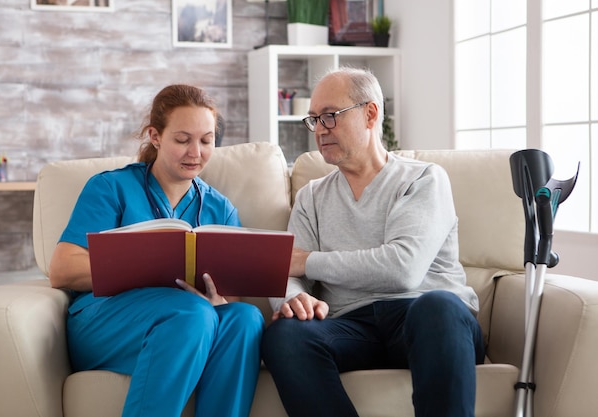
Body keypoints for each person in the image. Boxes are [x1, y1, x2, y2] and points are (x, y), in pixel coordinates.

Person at [261, 67, 485, 417]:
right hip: (352, 326)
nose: (320, 129)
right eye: (314, 119)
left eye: (330, 116)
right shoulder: (311, 197)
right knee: (284, 336)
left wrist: (309, 261)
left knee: (437, 306)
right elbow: (287, 270)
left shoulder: (423, 178)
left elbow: (403, 269)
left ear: (370, 114)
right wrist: (293, 298)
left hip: (427, 318)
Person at [49, 84, 264, 417]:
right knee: (192, 312)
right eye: (182, 139)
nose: (196, 152)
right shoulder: (111, 188)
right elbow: (62, 269)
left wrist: (220, 300)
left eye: (206, 141)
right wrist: (139, 268)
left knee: (245, 318)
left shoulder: (220, 209)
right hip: (107, 323)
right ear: (156, 136)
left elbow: (231, 296)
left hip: (193, 322)